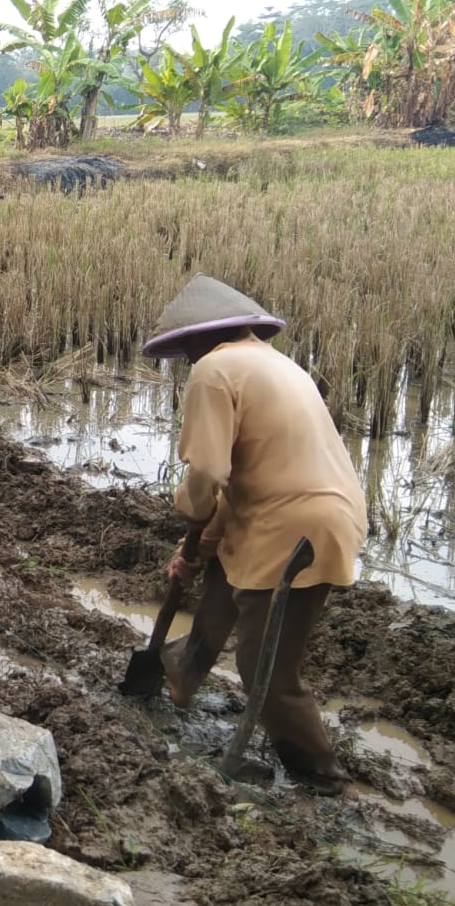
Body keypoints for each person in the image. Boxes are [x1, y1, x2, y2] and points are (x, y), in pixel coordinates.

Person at [145, 274, 368, 797]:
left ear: (200, 338)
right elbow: (240, 485)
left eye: (184, 350)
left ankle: (322, 776)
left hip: (296, 526)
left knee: (265, 664)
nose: (184, 359)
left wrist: (190, 514)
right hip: (323, 511)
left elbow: (207, 477)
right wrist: (192, 551)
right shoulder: (278, 364)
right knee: (224, 572)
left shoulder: (214, 370)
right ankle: (183, 671)